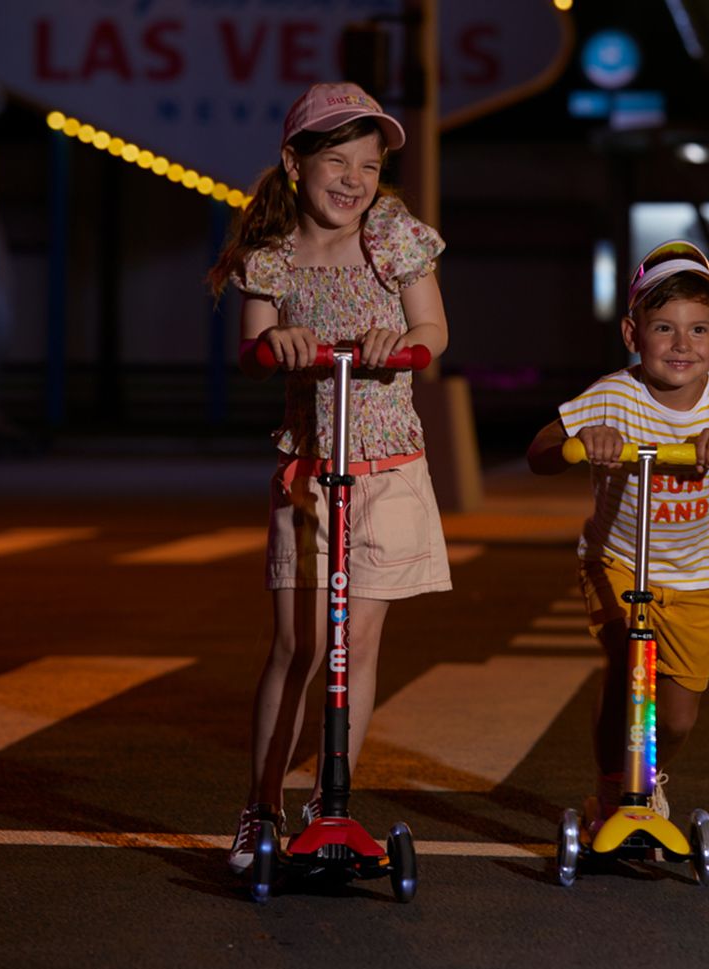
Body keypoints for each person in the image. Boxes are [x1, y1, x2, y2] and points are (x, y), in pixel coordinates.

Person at [208, 82, 452, 875]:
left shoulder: (392, 234)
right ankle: (260, 805)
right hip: (311, 470)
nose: (354, 179)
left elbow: (433, 330)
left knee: (360, 642)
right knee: (297, 643)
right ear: (293, 163)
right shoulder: (271, 254)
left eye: (370, 164)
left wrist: (400, 342)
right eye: (336, 161)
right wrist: (275, 344)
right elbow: (251, 347)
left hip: (389, 467)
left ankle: (332, 801)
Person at [526, 239, 709, 835]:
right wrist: (582, 438)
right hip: (617, 560)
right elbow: (540, 451)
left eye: (698, 330)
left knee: (676, 717)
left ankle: (648, 776)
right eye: (664, 327)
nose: (681, 344)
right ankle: (613, 790)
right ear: (632, 333)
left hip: (695, 578)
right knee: (628, 666)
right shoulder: (615, 394)